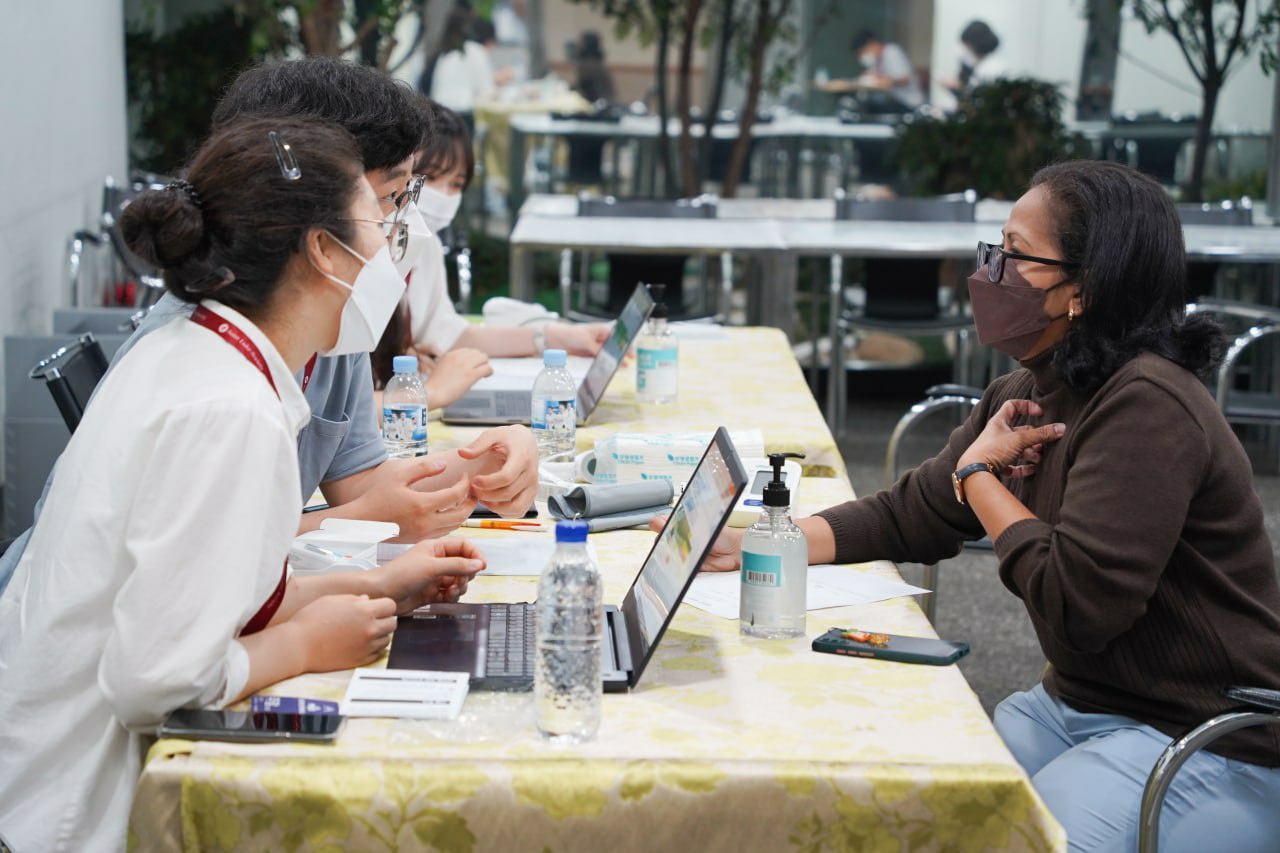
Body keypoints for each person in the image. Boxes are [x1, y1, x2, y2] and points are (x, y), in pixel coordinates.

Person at [678, 160, 1280, 850]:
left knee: (1019, 838)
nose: (989, 272)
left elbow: (1079, 605)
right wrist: (766, 539)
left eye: (1013, 254)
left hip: (1209, 737)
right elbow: (915, 510)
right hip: (1082, 705)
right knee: (922, 811)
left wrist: (979, 479)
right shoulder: (1034, 384)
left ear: (1080, 289)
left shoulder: (1149, 407)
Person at [0, 117, 487, 851]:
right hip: (64, 815)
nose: (394, 244)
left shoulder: (194, 354)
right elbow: (155, 681)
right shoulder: (231, 410)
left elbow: (204, 589)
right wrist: (304, 646)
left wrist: (384, 585)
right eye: (379, 220)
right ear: (323, 251)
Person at [0, 58, 538, 599]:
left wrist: (483, 467)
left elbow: (362, 482)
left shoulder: (331, 324)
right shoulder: (216, 380)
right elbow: (184, 575)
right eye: (389, 202)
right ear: (312, 223)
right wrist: (354, 545)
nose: (400, 232)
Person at [373, 101, 609, 389]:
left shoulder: (425, 246)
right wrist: (427, 389)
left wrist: (555, 337)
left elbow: (450, 335)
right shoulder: (364, 253)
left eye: (457, 184)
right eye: (430, 177)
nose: (443, 195)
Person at [421, 4, 495, 133]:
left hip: (436, 115)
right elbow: (487, 92)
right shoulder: (475, 51)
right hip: (462, 118)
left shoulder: (441, 53)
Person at [818, 29, 924, 113]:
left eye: (862, 52)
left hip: (908, 103)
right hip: (895, 101)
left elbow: (906, 79)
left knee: (869, 107)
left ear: (871, 44)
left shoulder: (891, 52)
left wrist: (889, 81)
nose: (863, 57)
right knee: (862, 104)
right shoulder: (878, 60)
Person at [938, 20, 1007, 102]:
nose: (965, 51)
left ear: (975, 45)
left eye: (967, 46)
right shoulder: (979, 67)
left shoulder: (992, 68)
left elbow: (979, 100)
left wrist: (958, 88)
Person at [574, 31, 614, 105]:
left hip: (599, 106)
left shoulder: (588, 64)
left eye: (580, 42)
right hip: (605, 103)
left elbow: (582, 87)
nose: (577, 45)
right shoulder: (596, 62)